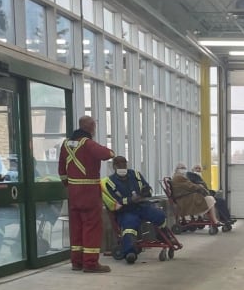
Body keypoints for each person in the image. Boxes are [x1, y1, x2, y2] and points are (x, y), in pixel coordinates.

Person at [58, 116, 115, 272]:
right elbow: (107, 154)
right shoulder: (88, 144)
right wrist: (111, 151)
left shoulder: (65, 144)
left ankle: (76, 262)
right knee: (92, 226)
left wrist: (68, 185)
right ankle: (90, 263)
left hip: (73, 192)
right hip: (89, 192)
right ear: (91, 127)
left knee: (76, 226)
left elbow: (62, 171)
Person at [102, 156, 166, 264]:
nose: (122, 167)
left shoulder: (135, 175)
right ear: (114, 167)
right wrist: (130, 200)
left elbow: (147, 188)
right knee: (129, 226)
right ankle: (130, 252)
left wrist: (144, 193)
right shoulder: (109, 182)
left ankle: (162, 235)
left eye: (124, 164)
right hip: (126, 211)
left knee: (159, 215)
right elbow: (116, 201)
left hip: (142, 206)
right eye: (119, 165)